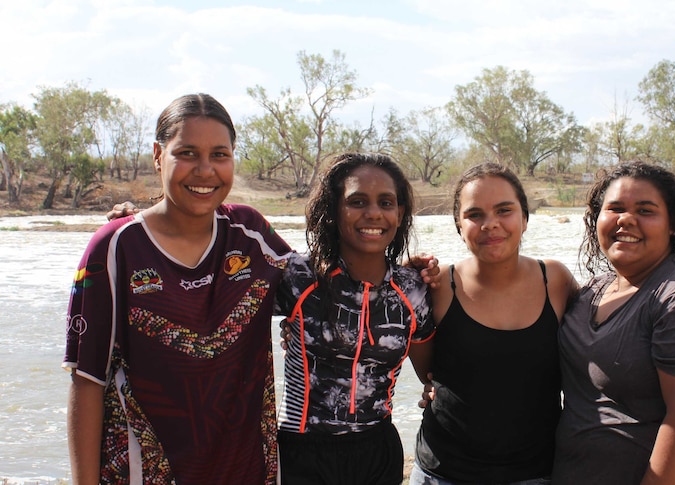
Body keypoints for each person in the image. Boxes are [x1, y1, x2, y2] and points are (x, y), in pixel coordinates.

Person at [64, 94, 289, 484]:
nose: (205, 171)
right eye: (187, 153)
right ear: (158, 155)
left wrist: (404, 273)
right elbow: (87, 381)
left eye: (220, 155)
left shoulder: (249, 234)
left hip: (246, 469)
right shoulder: (116, 247)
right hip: (144, 472)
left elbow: (323, 290)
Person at [553, 161, 675, 484]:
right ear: (596, 219)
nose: (626, 219)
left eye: (645, 211)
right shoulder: (593, 290)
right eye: (614, 208)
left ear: (672, 224)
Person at [274, 153, 436, 485]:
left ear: (400, 213)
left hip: (377, 450)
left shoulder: (414, 290)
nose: (373, 213)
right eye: (357, 201)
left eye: (386, 202)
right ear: (334, 210)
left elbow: (433, 374)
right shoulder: (298, 277)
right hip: (301, 449)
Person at [411, 162, 577, 484]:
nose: (491, 224)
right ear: (459, 226)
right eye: (475, 215)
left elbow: (601, 346)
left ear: (525, 218)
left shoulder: (556, 280)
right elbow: (419, 367)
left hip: (535, 473)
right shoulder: (436, 285)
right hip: (441, 473)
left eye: (504, 210)